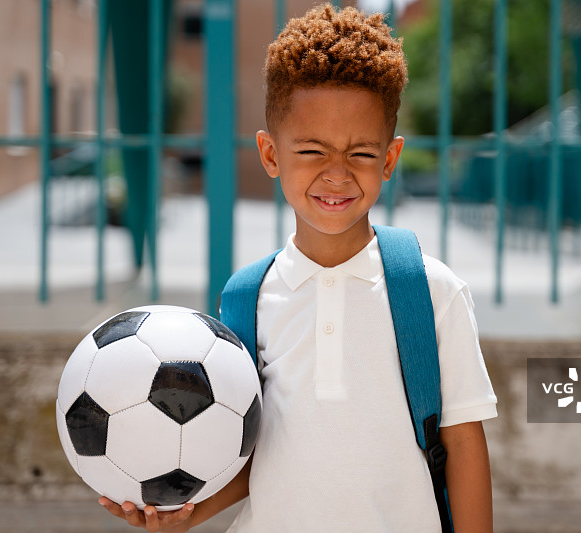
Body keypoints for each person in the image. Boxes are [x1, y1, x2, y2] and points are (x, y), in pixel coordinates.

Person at [99, 4, 498, 532]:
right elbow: (252, 455)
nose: (336, 174)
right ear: (270, 154)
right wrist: (184, 516)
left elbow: (464, 443)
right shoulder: (246, 298)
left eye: (360, 153)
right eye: (311, 150)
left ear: (390, 159)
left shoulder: (432, 292)